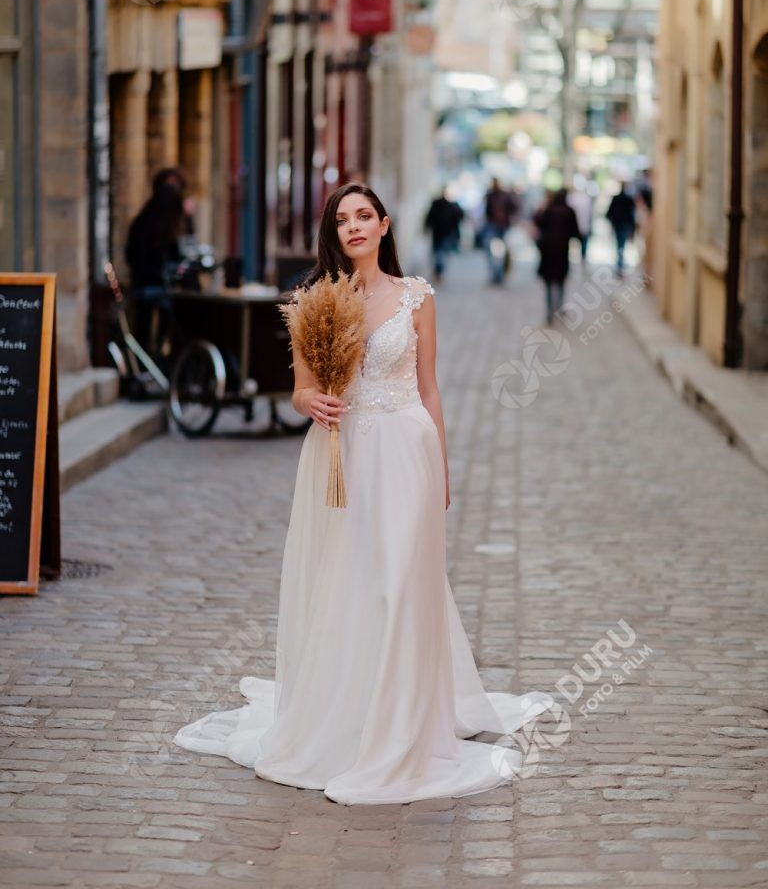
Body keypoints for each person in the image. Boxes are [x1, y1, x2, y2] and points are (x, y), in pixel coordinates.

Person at [173, 182, 554, 804]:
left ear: (383, 225)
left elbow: (429, 388)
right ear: (335, 232)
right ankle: (352, 717)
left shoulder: (417, 298)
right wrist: (311, 401)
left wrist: (443, 463)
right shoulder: (316, 301)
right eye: (342, 218)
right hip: (342, 456)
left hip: (407, 452)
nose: (354, 226)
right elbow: (299, 388)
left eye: (364, 216)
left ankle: (404, 726)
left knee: (404, 583)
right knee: (352, 582)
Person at [125, 167, 186, 351]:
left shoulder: (143, 221)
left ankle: (146, 364)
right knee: (165, 331)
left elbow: (131, 255)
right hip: (155, 287)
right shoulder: (168, 225)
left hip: (144, 286)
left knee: (143, 333)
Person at [533, 188, 581, 325]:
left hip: (548, 251)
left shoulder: (548, 209)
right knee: (560, 281)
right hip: (562, 251)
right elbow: (575, 232)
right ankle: (559, 307)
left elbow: (538, 222)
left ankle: (549, 312)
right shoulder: (569, 211)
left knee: (548, 282)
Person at [483, 178, 519, 285]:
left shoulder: (503, 196)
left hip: (500, 227)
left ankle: (498, 274)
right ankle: (496, 274)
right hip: (495, 226)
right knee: (494, 251)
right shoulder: (491, 195)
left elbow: (513, 208)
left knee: (498, 252)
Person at [424, 188, 464, 282]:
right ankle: (439, 271)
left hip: (442, 234)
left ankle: (439, 271)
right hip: (443, 234)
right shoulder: (447, 205)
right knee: (441, 254)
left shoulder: (449, 205)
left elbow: (459, 217)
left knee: (440, 254)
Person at [605, 181, 637, 278]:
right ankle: (620, 266)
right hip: (624, 225)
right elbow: (632, 215)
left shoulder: (617, 199)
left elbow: (609, 213)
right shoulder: (628, 199)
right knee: (621, 245)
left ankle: (620, 265)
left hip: (618, 225)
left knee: (619, 245)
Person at [566, 180, 593, 263]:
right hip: (579, 225)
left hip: (578, 225)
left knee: (581, 242)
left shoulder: (572, 198)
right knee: (582, 243)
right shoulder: (585, 198)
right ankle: (583, 257)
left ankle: (582, 257)